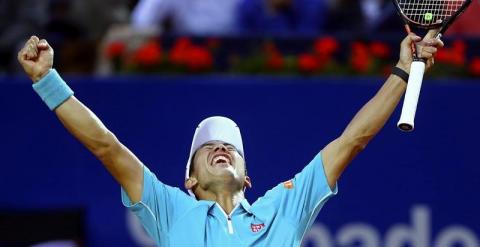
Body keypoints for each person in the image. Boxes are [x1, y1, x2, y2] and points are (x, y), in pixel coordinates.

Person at [17, 32, 443, 246]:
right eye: (209, 148)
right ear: (189, 180)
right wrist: (47, 81)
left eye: (230, 150)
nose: (221, 149)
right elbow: (105, 145)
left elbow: (353, 140)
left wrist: (403, 71)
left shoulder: (283, 208)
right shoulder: (168, 209)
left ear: (248, 177)